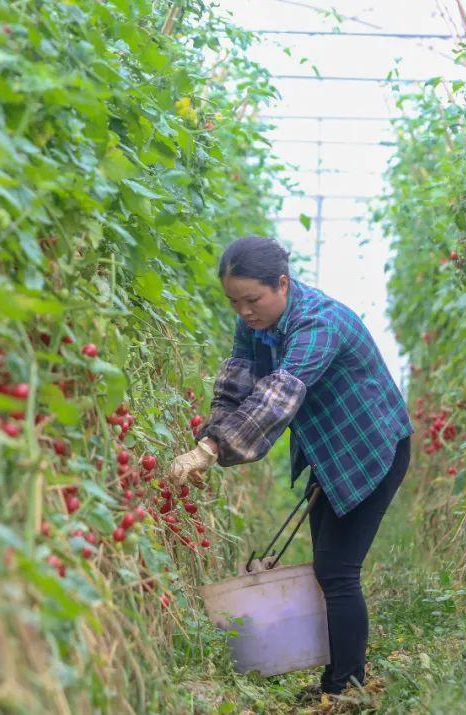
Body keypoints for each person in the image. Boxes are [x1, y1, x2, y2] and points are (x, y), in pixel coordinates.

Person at [167, 236, 414, 698]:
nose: (244, 311)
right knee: (329, 570)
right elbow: (237, 381)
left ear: (282, 284)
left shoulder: (319, 322)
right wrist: (209, 438)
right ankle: (339, 681)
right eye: (234, 301)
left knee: (338, 571)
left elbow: (279, 394)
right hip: (330, 450)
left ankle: (345, 688)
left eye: (252, 299)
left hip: (372, 447)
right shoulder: (256, 323)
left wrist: (211, 451)